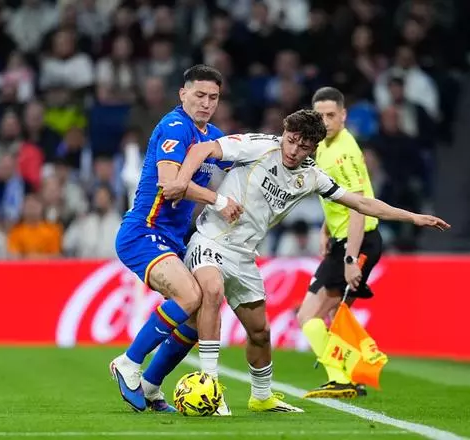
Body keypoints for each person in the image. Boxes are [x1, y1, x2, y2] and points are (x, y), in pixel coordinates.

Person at [160, 109, 449, 415]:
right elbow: (203, 149)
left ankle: (262, 397)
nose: (293, 150)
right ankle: (210, 385)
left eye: (303, 146)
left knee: (260, 333)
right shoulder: (260, 146)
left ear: (313, 149)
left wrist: (413, 217)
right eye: (291, 140)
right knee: (212, 290)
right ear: (284, 133)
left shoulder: (312, 177)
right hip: (211, 238)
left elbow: (361, 202)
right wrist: (181, 181)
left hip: (244, 255)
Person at [110, 65, 243, 413]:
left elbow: (238, 169)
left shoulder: (213, 136)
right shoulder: (174, 126)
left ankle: (151, 385)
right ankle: (128, 362)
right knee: (190, 295)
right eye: (199, 95)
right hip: (144, 231)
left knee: (200, 314)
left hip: (173, 239)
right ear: (183, 94)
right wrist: (218, 200)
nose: (206, 103)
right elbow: (170, 183)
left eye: (213, 97)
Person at [296, 86, 382, 399]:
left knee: (309, 316)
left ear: (343, 115)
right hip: (343, 241)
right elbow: (337, 199)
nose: (325, 121)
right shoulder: (323, 146)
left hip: (356, 243)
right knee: (330, 315)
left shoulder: (344, 152)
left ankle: (341, 378)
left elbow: (358, 207)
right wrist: (325, 229)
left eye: (331, 115)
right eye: (319, 116)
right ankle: (352, 376)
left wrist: (350, 259)